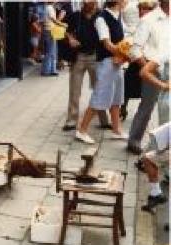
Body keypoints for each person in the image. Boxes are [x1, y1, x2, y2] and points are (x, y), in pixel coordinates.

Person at [75, 0, 129, 144]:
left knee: (117, 97)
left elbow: (124, 39)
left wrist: (123, 56)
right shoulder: (101, 18)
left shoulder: (119, 15)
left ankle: (116, 130)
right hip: (106, 63)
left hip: (117, 63)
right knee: (100, 95)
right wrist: (124, 54)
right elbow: (107, 43)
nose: (127, 2)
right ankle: (82, 130)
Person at [127, 0, 169, 154]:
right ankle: (134, 140)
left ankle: (161, 147)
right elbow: (135, 50)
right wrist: (148, 69)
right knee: (147, 107)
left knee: (166, 110)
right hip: (153, 69)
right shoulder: (148, 20)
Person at [63, 0, 111, 131]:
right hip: (78, 56)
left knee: (99, 88)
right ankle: (71, 120)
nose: (88, 5)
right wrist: (71, 39)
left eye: (91, 3)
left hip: (95, 56)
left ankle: (103, 119)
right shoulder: (76, 15)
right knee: (74, 90)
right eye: (86, 3)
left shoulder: (101, 16)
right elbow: (66, 31)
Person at [120, 0, 157, 121]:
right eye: (140, 9)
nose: (141, 11)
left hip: (150, 62)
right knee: (126, 86)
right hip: (137, 61)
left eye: (145, 9)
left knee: (147, 91)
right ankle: (122, 109)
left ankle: (143, 115)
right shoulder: (140, 23)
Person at [140, 122, 169, 212]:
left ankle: (156, 193)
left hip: (160, 140)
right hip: (160, 140)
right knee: (149, 159)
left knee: (148, 159)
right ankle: (155, 193)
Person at [41, 1, 66, 76]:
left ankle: (51, 70)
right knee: (50, 51)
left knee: (52, 51)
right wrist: (62, 23)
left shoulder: (48, 8)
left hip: (49, 30)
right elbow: (54, 20)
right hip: (50, 31)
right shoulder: (50, 8)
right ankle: (47, 71)